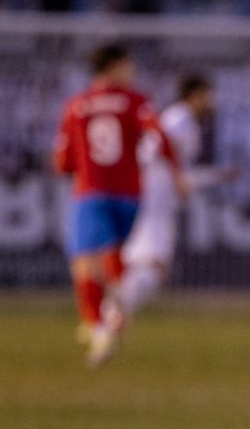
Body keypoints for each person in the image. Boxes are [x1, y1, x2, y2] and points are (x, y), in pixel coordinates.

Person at [52, 43, 188, 367]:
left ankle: (99, 327)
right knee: (114, 260)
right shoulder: (135, 101)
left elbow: (62, 161)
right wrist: (176, 173)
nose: (132, 72)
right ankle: (114, 318)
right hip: (130, 193)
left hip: (92, 191)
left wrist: (81, 165)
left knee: (85, 263)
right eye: (129, 66)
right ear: (113, 67)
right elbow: (159, 135)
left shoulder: (76, 106)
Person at [111, 73, 238, 336]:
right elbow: (153, 151)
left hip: (158, 199)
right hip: (153, 200)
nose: (211, 102)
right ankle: (116, 304)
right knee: (153, 267)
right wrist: (169, 178)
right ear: (195, 94)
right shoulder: (179, 119)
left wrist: (216, 175)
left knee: (150, 268)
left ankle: (115, 313)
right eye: (207, 96)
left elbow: (180, 174)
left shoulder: (185, 122)